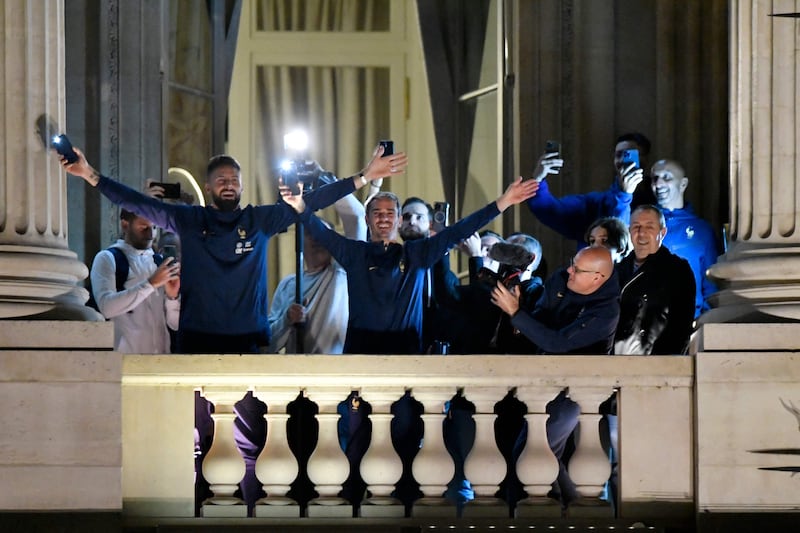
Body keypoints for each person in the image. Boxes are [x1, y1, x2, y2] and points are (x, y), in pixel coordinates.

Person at [60, 144, 406, 354]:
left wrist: (362, 176)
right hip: (196, 340)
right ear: (209, 186)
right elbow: (136, 202)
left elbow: (312, 201)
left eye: (235, 180)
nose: (229, 184)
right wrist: (91, 174)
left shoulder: (260, 220)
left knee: (248, 441)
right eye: (222, 179)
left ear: (242, 186)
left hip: (248, 341)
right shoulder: (189, 220)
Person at [287, 178, 539, 355]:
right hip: (360, 361)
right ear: (367, 219)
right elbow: (318, 229)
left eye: (389, 212)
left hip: (407, 362)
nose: (383, 217)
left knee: (406, 431)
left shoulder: (417, 253)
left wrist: (503, 202)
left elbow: (461, 229)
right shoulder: (354, 253)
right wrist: (299, 205)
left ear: (398, 219)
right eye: (377, 212)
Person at [490, 246, 620, 509]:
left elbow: (558, 342)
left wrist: (517, 314)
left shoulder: (606, 311)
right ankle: (572, 513)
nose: (569, 270)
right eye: (572, 263)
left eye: (578, 269)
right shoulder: (562, 279)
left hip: (574, 392)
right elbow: (540, 319)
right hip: (540, 384)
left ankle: (551, 513)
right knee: (543, 454)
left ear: (598, 278)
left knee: (533, 451)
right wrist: (521, 307)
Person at [267, 177, 367, 354]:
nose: (316, 239)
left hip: (337, 372)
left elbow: (356, 218)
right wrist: (287, 319)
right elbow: (267, 345)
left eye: (321, 234)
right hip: (297, 373)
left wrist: (328, 181)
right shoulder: (288, 285)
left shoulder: (342, 272)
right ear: (301, 241)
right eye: (310, 233)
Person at [527, 133, 648, 246]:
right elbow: (551, 211)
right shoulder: (595, 203)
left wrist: (624, 195)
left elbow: (620, 243)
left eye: (630, 154)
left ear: (644, 159)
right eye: (618, 155)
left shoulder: (658, 203)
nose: (623, 160)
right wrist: (538, 180)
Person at [90, 209, 181, 353]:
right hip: (125, 361)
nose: (151, 234)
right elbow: (107, 307)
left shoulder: (159, 263)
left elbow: (175, 324)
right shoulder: (107, 258)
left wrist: (172, 298)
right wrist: (151, 284)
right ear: (125, 225)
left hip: (162, 361)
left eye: (155, 227)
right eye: (144, 227)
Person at [614, 205, 696, 355]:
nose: (642, 233)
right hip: (614, 362)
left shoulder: (677, 269)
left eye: (649, 227)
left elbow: (681, 324)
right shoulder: (617, 270)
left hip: (656, 361)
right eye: (636, 226)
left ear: (662, 232)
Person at [650, 159, 720, 318]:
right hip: (649, 324)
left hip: (689, 322)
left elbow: (711, 282)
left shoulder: (703, 230)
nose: (658, 183)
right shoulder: (642, 225)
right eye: (654, 178)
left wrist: (706, 319)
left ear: (683, 184)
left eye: (667, 177)